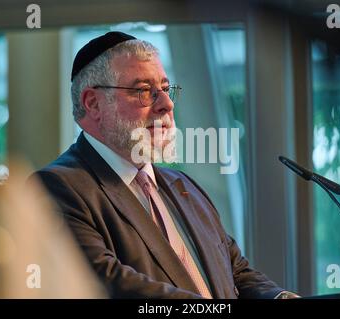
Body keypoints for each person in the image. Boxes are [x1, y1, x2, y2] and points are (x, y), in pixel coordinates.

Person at [33, 31, 298, 299]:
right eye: (144, 91)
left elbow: (236, 271)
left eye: (165, 88)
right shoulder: (57, 187)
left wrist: (280, 297)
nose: (167, 104)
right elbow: (107, 283)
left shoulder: (185, 186)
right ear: (93, 103)